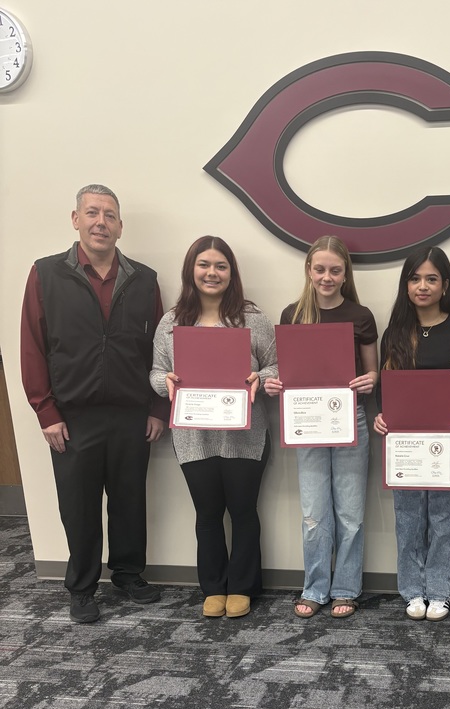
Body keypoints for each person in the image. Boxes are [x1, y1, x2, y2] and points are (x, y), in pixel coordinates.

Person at [20, 184, 166, 625]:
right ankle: (82, 586)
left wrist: (158, 409)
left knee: (129, 499)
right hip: (72, 415)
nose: (101, 222)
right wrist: (45, 411)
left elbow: (160, 349)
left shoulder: (144, 279)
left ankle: (128, 573)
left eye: (109, 215)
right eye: (92, 213)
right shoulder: (46, 274)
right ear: (76, 219)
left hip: (130, 413)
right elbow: (32, 345)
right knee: (78, 505)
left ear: (121, 226)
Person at [150, 237, 277, 619]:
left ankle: (241, 586)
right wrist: (165, 384)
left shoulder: (253, 319)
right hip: (193, 437)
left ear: (231, 273)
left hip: (246, 434)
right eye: (204, 264)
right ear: (192, 270)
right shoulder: (171, 322)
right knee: (206, 514)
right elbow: (156, 372)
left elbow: (276, 366)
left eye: (221, 266)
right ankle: (213, 587)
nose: (212, 272)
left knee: (243, 512)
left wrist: (261, 377)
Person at [264, 236, 377, 619]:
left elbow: (372, 372)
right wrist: (275, 383)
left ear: (345, 273)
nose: (327, 277)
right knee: (314, 512)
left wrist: (371, 380)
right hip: (308, 423)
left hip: (351, 422)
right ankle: (314, 587)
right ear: (309, 271)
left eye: (335, 270)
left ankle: (346, 587)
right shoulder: (292, 314)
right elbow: (285, 371)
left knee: (350, 513)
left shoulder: (361, 316)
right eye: (320, 269)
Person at [373, 245, 450, 621]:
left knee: (443, 517)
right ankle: (411, 590)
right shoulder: (394, 332)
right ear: (406, 285)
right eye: (415, 278)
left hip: (447, 440)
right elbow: (383, 389)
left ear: (445, 285)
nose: (423, 286)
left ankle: (439, 590)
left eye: (431, 279)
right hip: (404, 442)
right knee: (407, 517)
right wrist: (380, 417)